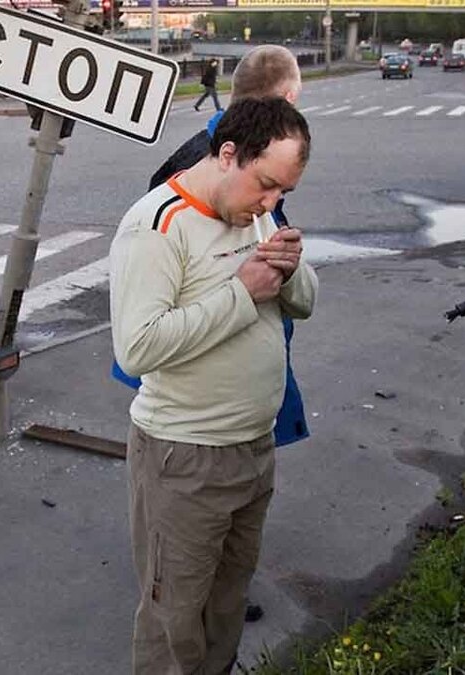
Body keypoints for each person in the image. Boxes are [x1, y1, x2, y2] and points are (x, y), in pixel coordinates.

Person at [110, 97, 318, 674]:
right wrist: (242, 292)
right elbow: (137, 346)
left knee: (227, 604)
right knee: (174, 618)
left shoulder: (257, 214)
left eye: (284, 194)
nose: (272, 203)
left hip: (253, 450)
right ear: (228, 154)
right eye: (266, 184)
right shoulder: (156, 226)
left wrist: (292, 267)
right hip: (184, 459)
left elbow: (307, 303)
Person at [139, 44, 310, 449]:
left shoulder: (202, 148)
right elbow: (149, 336)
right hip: (199, 424)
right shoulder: (217, 169)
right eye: (268, 187)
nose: (269, 199)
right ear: (288, 101)